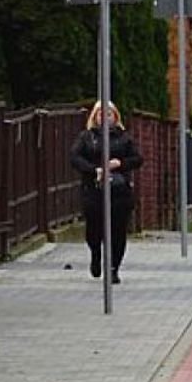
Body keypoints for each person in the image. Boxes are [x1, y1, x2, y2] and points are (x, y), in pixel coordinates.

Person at [70, 101, 142, 284]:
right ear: (94, 117)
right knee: (94, 229)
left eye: (109, 113)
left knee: (118, 231)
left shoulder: (124, 137)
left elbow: (137, 159)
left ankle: (113, 269)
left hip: (119, 190)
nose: (105, 117)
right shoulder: (87, 137)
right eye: (101, 113)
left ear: (115, 116)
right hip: (94, 189)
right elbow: (75, 157)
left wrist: (120, 164)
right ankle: (96, 253)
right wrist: (94, 170)